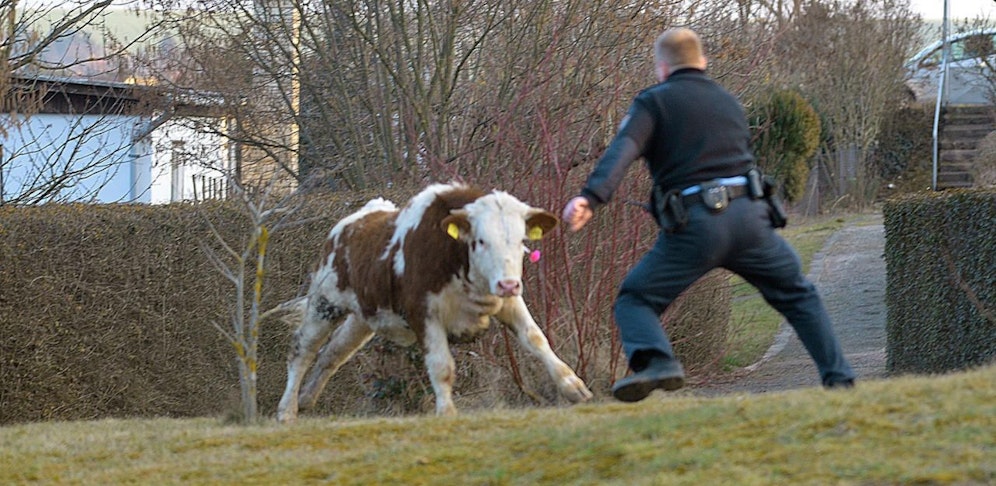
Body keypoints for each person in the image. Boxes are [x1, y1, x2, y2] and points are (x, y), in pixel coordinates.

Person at [561, 27, 855, 402]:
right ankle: (840, 380)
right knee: (800, 296)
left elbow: (624, 149)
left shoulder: (654, 103)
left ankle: (657, 363)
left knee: (635, 298)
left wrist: (591, 197)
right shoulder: (728, 101)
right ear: (702, 62)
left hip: (696, 224)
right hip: (751, 219)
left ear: (662, 67)